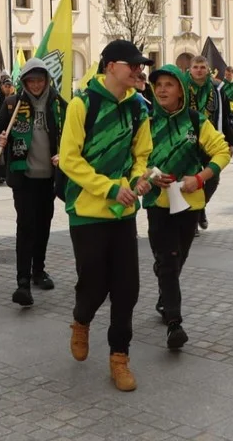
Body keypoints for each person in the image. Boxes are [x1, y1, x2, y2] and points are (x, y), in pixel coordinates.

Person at [60, 40, 153, 393]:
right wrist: (110, 188)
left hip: (123, 213)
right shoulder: (82, 104)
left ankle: (119, 358)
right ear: (111, 66)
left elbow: (142, 154)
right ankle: (81, 320)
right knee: (94, 285)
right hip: (87, 212)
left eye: (140, 65)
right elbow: (69, 160)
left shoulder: (138, 108)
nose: (138, 70)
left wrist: (136, 181)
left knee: (127, 289)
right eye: (132, 65)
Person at [142, 65, 230, 349]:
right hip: (157, 202)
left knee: (177, 258)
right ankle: (174, 324)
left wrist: (200, 178)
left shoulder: (196, 121)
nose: (162, 90)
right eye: (159, 85)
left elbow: (222, 150)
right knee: (168, 260)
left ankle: (165, 294)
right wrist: (153, 176)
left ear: (181, 89)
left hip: (188, 204)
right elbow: (135, 160)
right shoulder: (145, 122)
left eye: (169, 84)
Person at [0, 58, 67, 307]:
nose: (36, 84)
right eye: (31, 80)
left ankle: (39, 270)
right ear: (24, 81)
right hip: (23, 176)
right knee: (25, 227)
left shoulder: (59, 105)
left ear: (47, 80)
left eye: (40, 79)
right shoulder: (13, 103)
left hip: (49, 177)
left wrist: (65, 154)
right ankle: (23, 281)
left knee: (43, 225)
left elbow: (71, 136)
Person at [187, 56, 233, 234]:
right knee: (191, 177)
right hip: (188, 140)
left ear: (208, 70)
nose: (199, 70)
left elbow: (226, 115)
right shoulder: (183, 87)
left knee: (213, 178)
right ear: (190, 69)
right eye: (195, 67)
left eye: (202, 67)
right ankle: (191, 218)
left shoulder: (217, 88)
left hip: (210, 139)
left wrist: (230, 141)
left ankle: (200, 207)